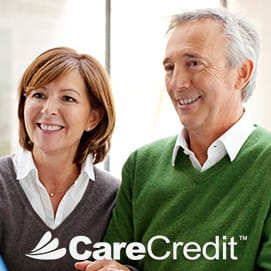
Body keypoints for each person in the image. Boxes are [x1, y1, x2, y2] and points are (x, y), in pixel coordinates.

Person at [76, 8, 271, 271]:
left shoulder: (266, 163)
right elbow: (119, 261)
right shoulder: (141, 165)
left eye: (194, 63)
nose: (176, 82)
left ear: (242, 73)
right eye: (169, 67)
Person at [0, 47, 119, 270]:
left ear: (93, 118)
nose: (48, 109)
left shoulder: (115, 198)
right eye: (38, 95)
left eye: (67, 98)